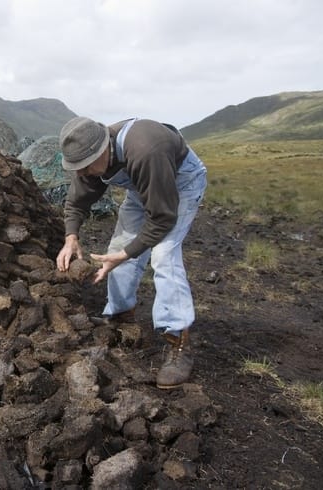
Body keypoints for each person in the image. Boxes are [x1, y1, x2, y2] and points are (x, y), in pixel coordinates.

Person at [55, 116, 207, 389]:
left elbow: (161, 218)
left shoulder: (147, 149)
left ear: (102, 150)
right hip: (142, 187)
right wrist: (71, 237)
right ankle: (120, 314)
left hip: (180, 183)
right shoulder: (90, 159)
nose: (83, 173)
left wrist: (129, 254)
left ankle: (178, 342)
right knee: (116, 246)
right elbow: (77, 202)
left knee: (164, 255)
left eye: (85, 167)